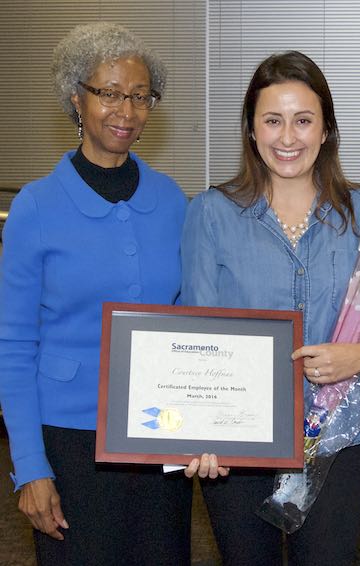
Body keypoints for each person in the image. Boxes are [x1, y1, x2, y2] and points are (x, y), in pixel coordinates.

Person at [181, 50, 360, 566]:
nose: (288, 137)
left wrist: (358, 359)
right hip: (238, 444)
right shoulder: (211, 214)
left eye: (303, 120)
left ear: (326, 130)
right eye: (272, 121)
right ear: (252, 130)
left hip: (337, 441)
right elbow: (196, 336)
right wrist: (198, 432)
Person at [0, 22, 191, 565]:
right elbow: (13, 348)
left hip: (160, 434)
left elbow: (187, 322)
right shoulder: (35, 208)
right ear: (76, 98)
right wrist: (31, 468)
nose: (125, 111)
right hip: (69, 440)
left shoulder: (172, 200)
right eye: (108, 93)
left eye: (139, 96)